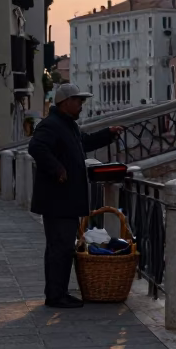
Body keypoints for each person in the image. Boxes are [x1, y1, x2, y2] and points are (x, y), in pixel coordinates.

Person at [28, 83, 123, 308]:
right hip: (57, 199)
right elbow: (36, 148)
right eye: (78, 101)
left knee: (62, 246)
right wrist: (57, 169)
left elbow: (85, 142)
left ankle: (57, 292)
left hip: (65, 199)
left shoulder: (67, 125)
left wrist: (108, 134)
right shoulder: (51, 125)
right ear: (65, 102)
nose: (81, 105)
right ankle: (56, 295)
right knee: (60, 247)